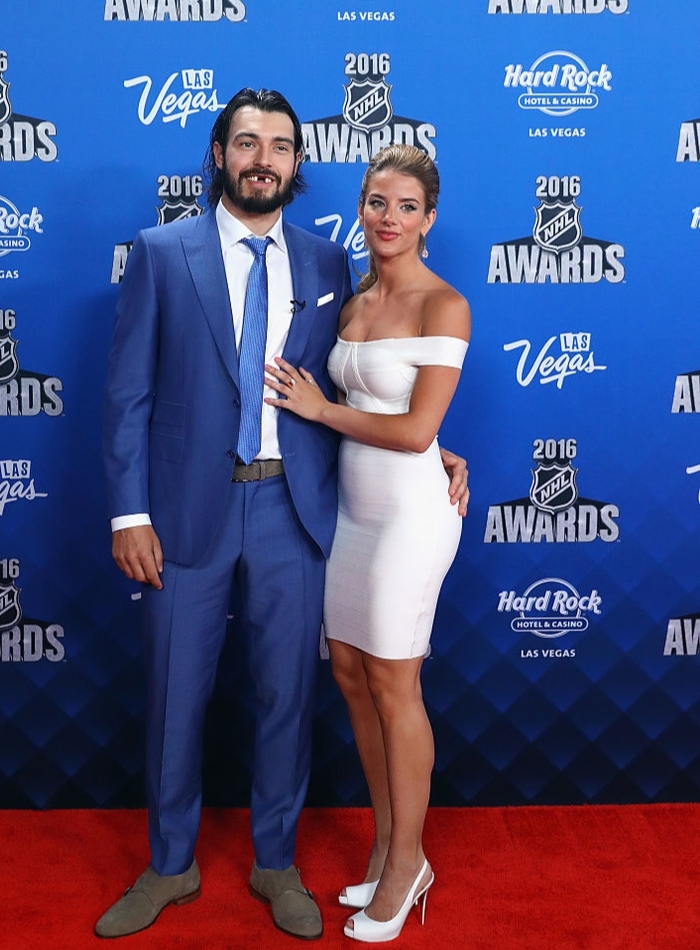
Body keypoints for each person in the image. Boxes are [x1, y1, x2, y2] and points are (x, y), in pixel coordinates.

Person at [99, 90, 469, 942]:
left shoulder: (326, 264)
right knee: (172, 696)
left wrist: (439, 447)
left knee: (284, 697)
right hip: (185, 511)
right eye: (246, 143)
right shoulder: (160, 253)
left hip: (296, 509)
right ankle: (168, 866)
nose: (263, 157)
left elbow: (359, 384)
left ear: (298, 163)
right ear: (220, 154)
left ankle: (276, 864)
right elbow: (126, 397)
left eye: (280, 145)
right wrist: (128, 514)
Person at [264, 144, 470, 943]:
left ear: (429, 219)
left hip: (413, 519)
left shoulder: (442, 304)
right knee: (350, 675)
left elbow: (418, 430)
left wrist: (322, 412)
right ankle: (388, 848)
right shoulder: (350, 302)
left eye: (407, 207)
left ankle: (408, 861)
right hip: (350, 513)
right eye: (377, 202)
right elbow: (396, 420)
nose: (390, 218)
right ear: (360, 206)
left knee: (395, 683)